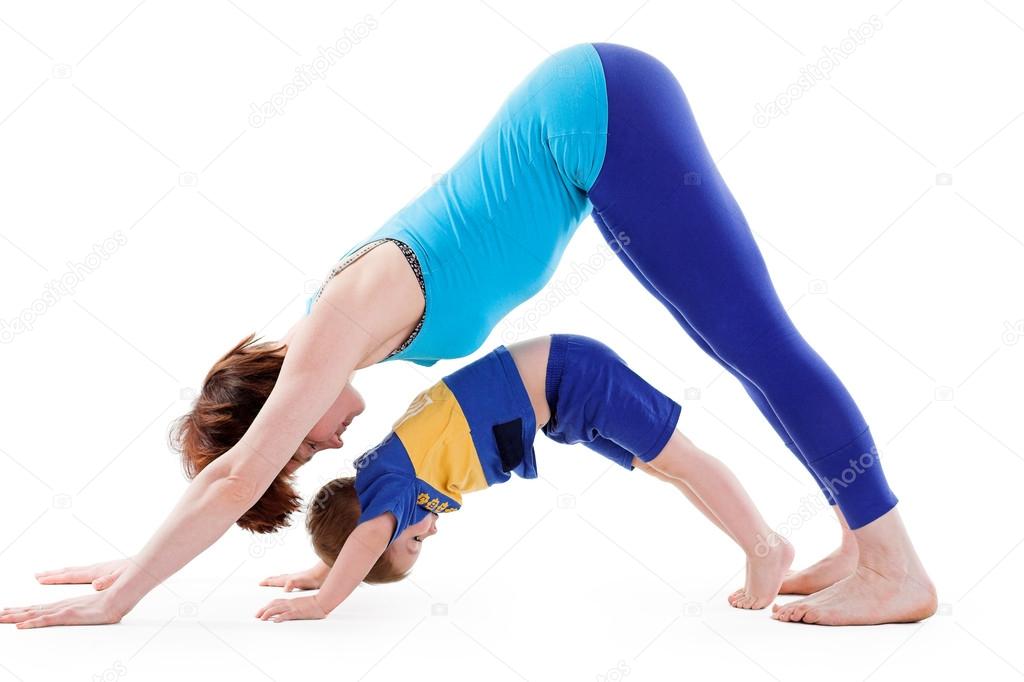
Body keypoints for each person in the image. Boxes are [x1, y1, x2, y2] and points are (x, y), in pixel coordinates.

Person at [2, 42, 933, 629]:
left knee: (757, 343)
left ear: (275, 403)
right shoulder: (358, 336)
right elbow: (233, 480)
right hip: (590, 133)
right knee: (749, 346)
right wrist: (139, 552)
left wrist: (121, 598)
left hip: (598, 113)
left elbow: (233, 476)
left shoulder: (335, 322)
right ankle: (861, 543)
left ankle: (893, 564)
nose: (330, 442)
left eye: (301, 439)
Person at [255, 334, 793, 623]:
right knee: (665, 469)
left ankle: (765, 547)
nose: (430, 532)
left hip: (571, 376)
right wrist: (321, 567)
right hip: (560, 402)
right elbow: (361, 534)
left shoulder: (392, 489)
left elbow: (369, 536)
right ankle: (760, 544)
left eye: (416, 538)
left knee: (683, 460)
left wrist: (323, 601)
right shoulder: (383, 479)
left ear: (387, 525)